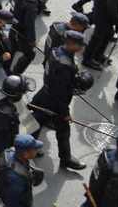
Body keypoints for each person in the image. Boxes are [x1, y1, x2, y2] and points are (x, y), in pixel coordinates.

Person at [30, 29, 89, 170]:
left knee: (37, 122)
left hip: (45, 92)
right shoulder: (65, 65)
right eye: (80, 45)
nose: (82, 47)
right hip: (54, 101)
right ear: (72, 44)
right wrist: (65, 113)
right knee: (63, 130)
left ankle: (29, 147)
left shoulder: (56, 51)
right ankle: (66, 159)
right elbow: (60, 94)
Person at [9, 0, 43, 75]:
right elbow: (29, 24)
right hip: (22, 31)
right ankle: (16, 73)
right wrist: (31, 40)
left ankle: (6, 67)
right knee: (30, 54)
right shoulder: (31, 3)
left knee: (12, 49)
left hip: (14, 25)